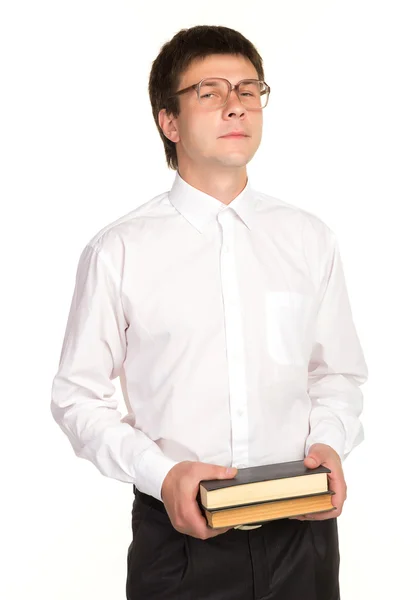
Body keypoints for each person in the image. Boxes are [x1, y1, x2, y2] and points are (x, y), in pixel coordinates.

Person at [50, 24, 368, 600]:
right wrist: (162, 474)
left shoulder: (309, 239)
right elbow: (77, 396)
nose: (235, 105)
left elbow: (336, 374)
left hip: (303, 536)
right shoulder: (119, 250)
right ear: (168, 122)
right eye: (210, 91)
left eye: (249, 90)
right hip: (179, 541)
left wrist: (329, 443)